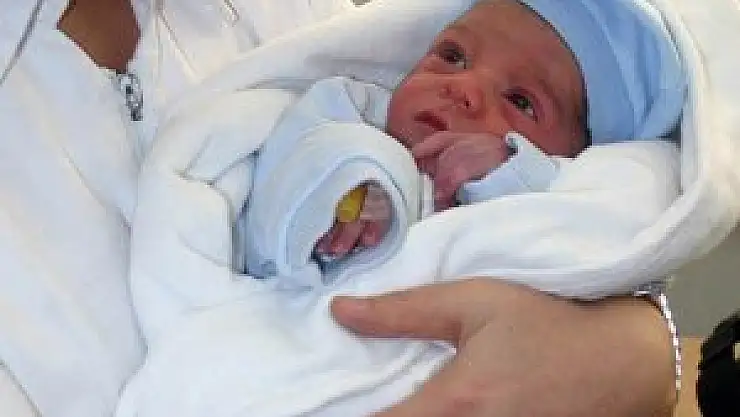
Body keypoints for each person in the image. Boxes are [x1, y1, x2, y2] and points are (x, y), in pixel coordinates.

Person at [0, 1, 680, 417]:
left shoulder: (287, 19)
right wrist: (356, 189)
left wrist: (637, 355)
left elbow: (595, 242)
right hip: (291, 368)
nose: (466, 89)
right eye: (451, 56)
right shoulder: (350, 115)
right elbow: (288, 189)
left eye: (523, 102)